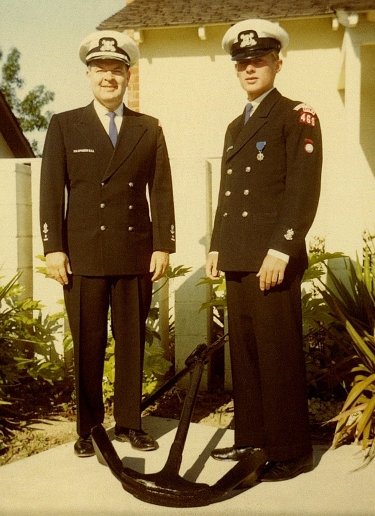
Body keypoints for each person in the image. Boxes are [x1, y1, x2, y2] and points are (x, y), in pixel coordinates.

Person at [40, 30, 175, 457]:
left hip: (134, 251)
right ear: (88, 75)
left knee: (131, 342)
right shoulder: (64, 124)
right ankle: (88, 428)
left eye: (117, 70)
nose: (108, 77)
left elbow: (162, 190)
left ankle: (130, 423)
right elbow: (49, 191)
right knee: (88, 343)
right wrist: (53, 247)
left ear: (128, 76)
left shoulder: (147, 127)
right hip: (82, 256)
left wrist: (163, 245)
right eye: (101, 69)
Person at [206, 19, 322, 481]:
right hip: (238, 255)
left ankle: (291, 449)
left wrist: (283, 248)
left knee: (277, 353)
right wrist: (217, 244)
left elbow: (302, 190)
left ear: (278, 61)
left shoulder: (297, 115)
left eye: (258, 60)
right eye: (242, 63)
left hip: (273, 257)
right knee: (248, 354)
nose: (250, 68)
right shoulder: (238, 124)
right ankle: (251, 438)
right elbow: (229, 190)